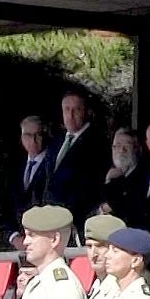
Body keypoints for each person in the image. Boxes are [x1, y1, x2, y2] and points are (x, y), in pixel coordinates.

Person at [45, 90, 109, 228]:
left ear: (86, 112)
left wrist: (68, 216)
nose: (71, 115)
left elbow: (91, 186)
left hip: (75, 222)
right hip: (49, 221)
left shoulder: (97, 143)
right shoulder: (56, 142)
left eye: (76, 110)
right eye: (67, 109)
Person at [99, 128, 147, 225]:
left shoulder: (143, 176)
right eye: (117, 145)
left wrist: (109, 181)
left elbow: (121, 209)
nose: (121, 150)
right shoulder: (114, 175)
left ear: (137, 149)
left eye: (127, 146)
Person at [13, 115, 53, 227]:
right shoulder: (16, 168)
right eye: (28, 135)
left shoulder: (53, 165)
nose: (33, 140)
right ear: (21, 138)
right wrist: (14, 236)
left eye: (38, 135)